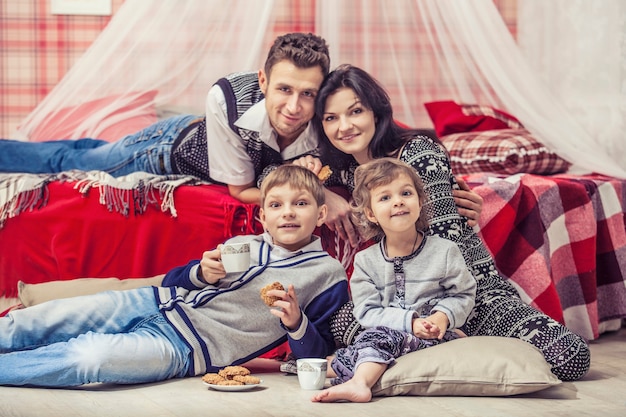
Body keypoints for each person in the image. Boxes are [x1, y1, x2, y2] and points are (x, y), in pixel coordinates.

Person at [0, 32, 483, 245]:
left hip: (222, 153)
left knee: (81, 151)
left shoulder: (327, 119)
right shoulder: (225, 99)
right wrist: (326, 204)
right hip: (172, 147)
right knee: (81, 156)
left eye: (309, 94)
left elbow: (369, 167)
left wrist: (443, 197)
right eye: (284, 90)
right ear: (263, 79)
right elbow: (240, 190)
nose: (296, 107)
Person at [302, 64, 590, 382]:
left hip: (467, 297)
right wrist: (323, 194)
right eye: (331, 118)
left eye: (355, 111)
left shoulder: (419, 154)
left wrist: (441, 317)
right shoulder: (342, 167)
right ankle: (433, 352)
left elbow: (448, 248)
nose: (345, 126)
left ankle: (433, 349)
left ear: (376, 112)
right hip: (398, 313)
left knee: (570, 358)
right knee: (337, 316)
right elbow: (270, 175)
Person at [0, 164, 349, 387]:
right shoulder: (244, 244)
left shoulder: (327, 275)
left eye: (300, 204)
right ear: (262, 217)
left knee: (89, 358)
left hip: (185, 347)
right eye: (276, 205)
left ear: (320, 214)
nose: (287, 213)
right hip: (152, 302)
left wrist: (295, 321)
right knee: (40, 319)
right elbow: (173, 281)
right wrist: (201, 272)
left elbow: (314, 356)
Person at [311, 158, 477, 403]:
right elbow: (366, 312)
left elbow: (463, 294)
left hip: (434, 337)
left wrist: (441, 317)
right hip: (390, 334)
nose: (398, 201)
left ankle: (360, 384)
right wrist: (409, 322)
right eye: (385, 198)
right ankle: (344, 365)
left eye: (406, 193)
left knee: (372, 343)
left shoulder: (445, 251)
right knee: (360, 346)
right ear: (371, 213)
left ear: (420, 202)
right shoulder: (365, 261)